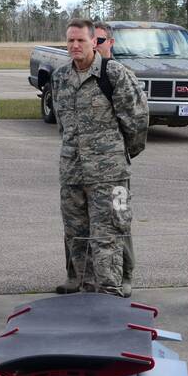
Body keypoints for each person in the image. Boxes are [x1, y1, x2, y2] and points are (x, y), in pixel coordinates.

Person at [51, 20, 149, 296]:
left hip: (110, 173)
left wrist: (118, 153)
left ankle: (109, 289)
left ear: (94, 42)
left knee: (108, 232)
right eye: (70, 41)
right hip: (72, 170)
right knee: (75, 230)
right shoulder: (60, 78)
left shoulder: (114, 74)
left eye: (80, 40)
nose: (74, 46)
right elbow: (62, 123)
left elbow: (137, 119)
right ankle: (79, 281)